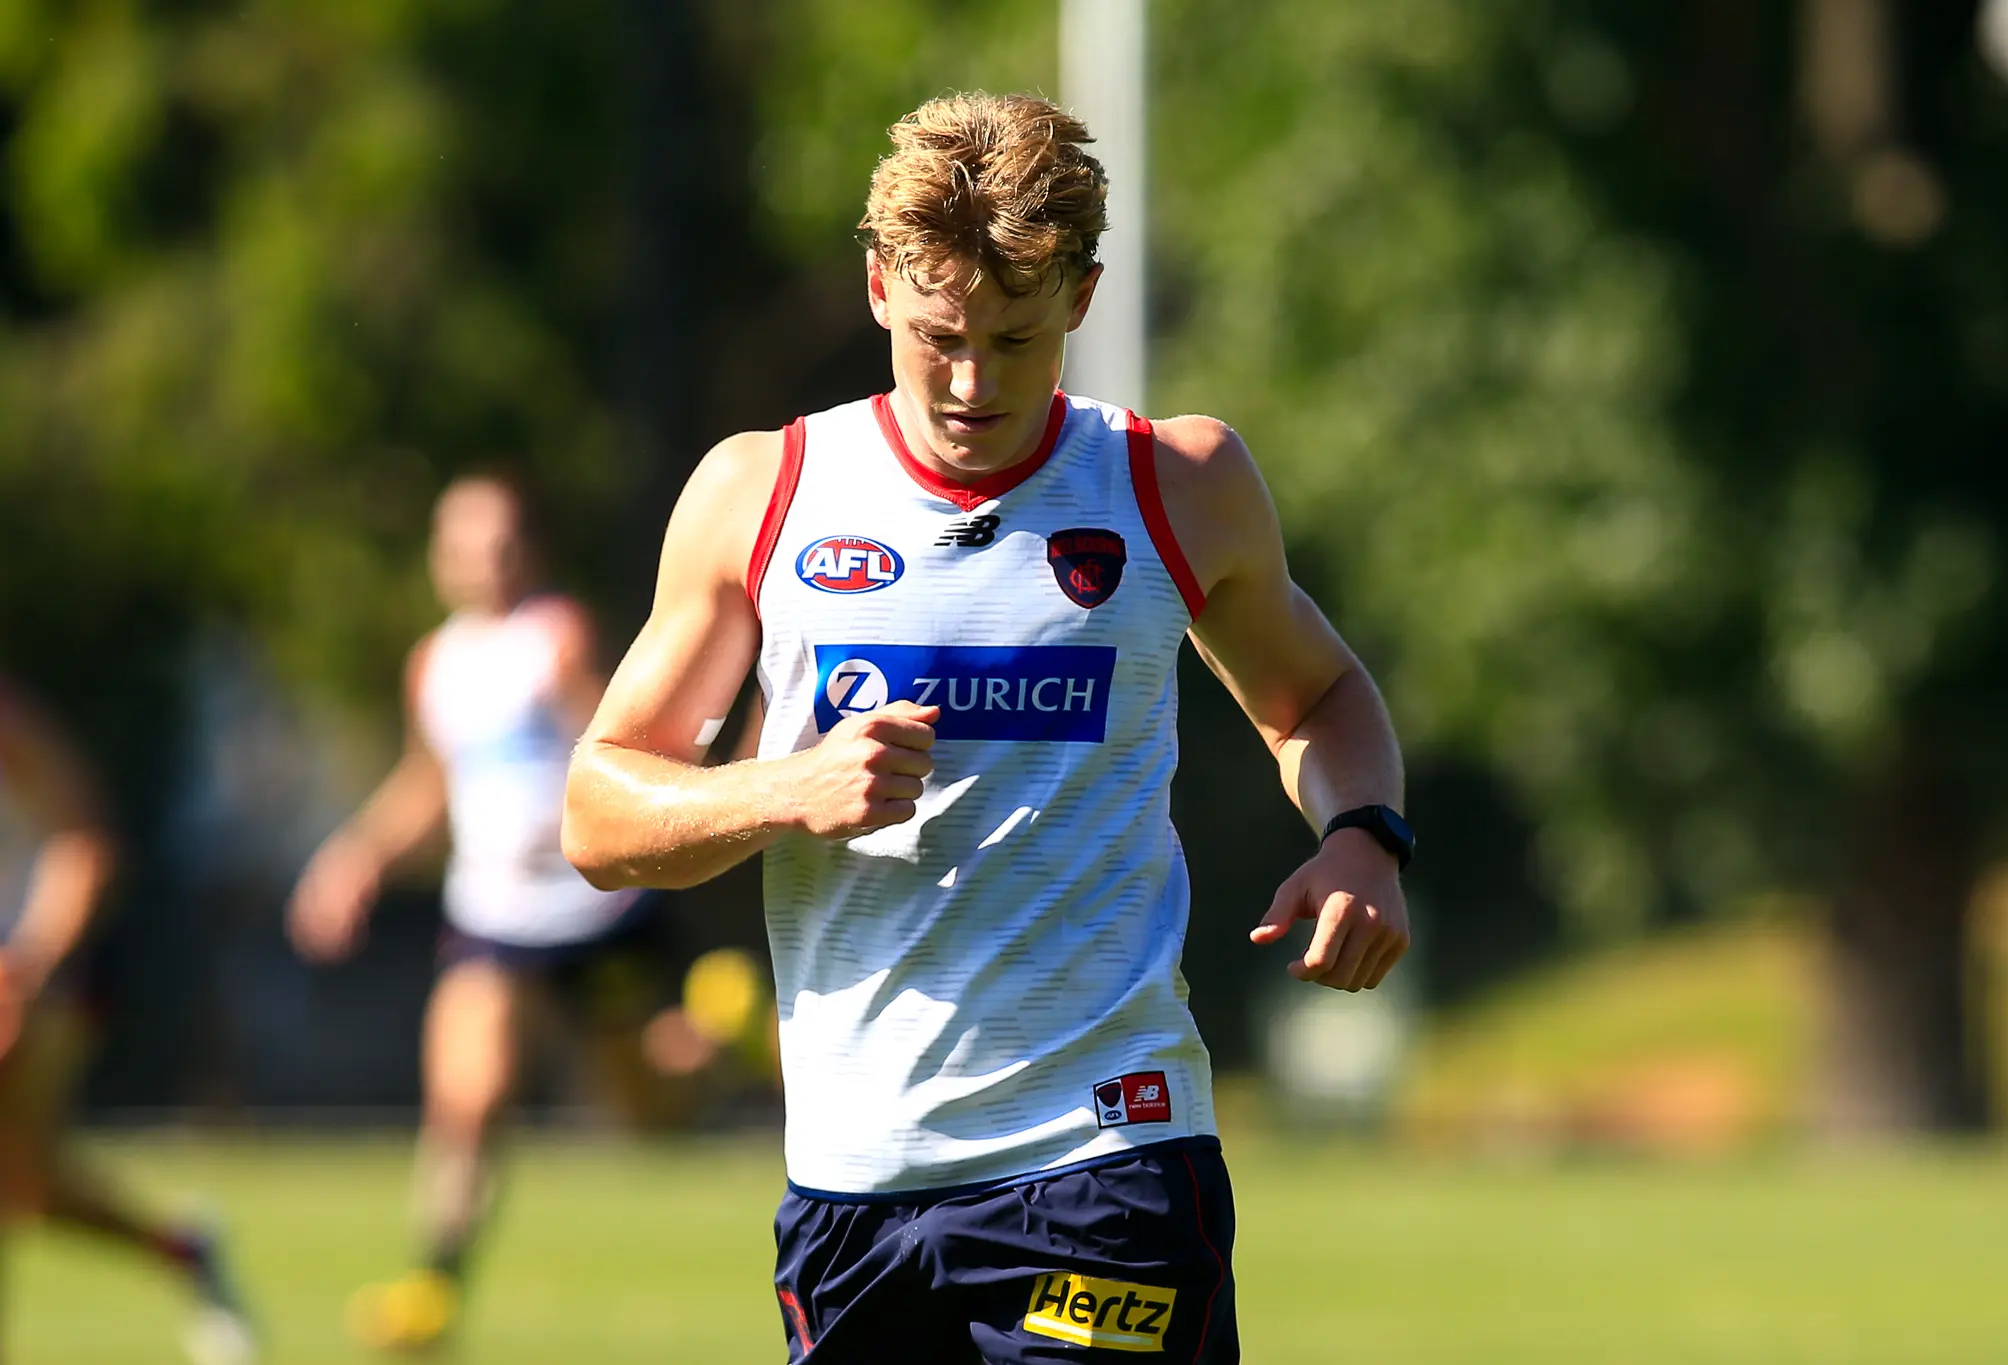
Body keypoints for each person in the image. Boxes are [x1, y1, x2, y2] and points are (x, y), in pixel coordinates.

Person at [562, 92, 1414, 1364]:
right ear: (878, 291)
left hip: (1104, 1160)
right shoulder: (763, 492)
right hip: (849, 1190)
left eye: (1014, 340)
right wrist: (783, 789)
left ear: (1080, 296)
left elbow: (1320, 697)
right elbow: (598, 811)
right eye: (938, 337)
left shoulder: (1173, 485)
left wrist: (1362, 836)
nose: (971, 383)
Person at [287, 475, 701, 1352]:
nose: (483, 561)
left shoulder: (558, 637)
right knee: (465, 1100)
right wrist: (357, 856)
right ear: (440, 558)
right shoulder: (434, 663)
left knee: (651, 1111)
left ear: (531, 549)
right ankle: (432, 1287)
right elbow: (429, 785)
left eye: (501, 544)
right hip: (492, 913)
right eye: (465, 545)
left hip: (595, 908)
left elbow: (623, 749)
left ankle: (729, 1040)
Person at [0, 675, 255, 1365]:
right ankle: (181, 1247)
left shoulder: (10, 723)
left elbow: (84, 846)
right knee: (28, 1188)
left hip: (33, 982)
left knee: (16, 1179)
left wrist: (29, 963)